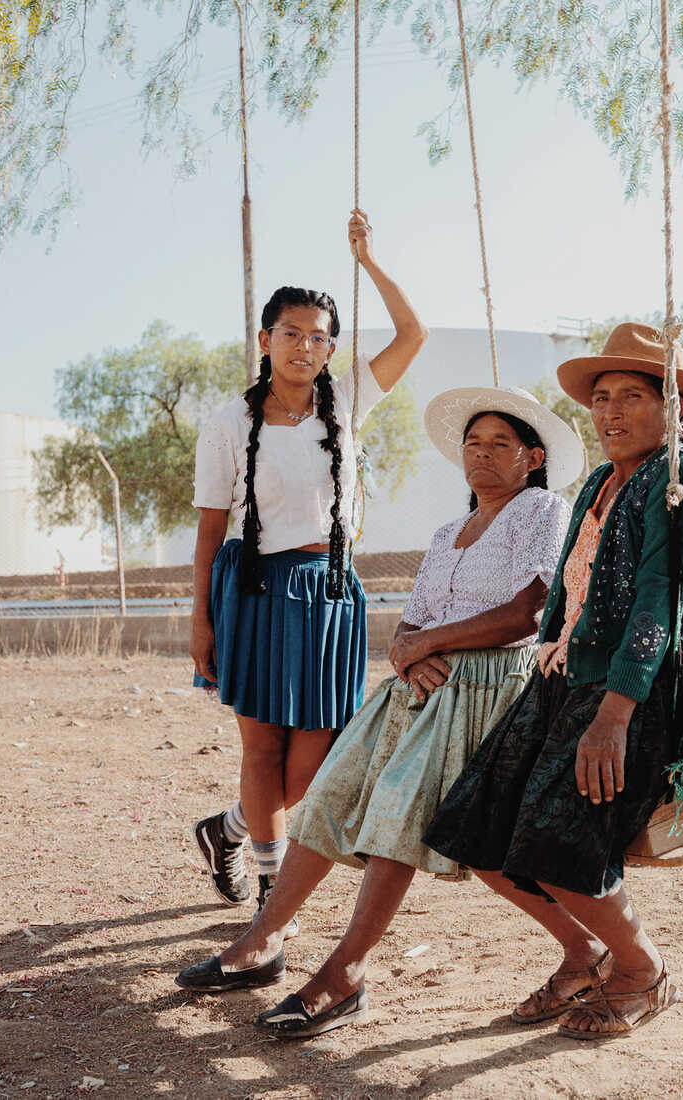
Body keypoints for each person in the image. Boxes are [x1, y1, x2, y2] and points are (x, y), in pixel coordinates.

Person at [175, 386, 584, 1040]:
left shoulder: (544, 510)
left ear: (532, 457)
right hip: (427, 685)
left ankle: (345, 976)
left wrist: (431, 642)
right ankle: (261, 940)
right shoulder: (450, 531)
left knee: (398, 807)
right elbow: (412, 624)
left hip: (494, 690)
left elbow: (532, 612)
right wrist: (408, 651)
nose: (482, 455)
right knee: (333, 789)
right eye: (472, 444)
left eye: (500, 445)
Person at [423, 322, 683, 1039]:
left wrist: (616, 713)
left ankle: (642, 969)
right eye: (601, 398)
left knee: (560, 848)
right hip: (564, 674)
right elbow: (568, 590)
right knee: (475, 831)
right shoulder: (599, 481)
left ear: (674, 408)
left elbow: (661, 600)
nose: (611, 412)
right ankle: (583, 953)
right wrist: (546, 669)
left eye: (632, 395)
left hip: (646, 686)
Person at [189, 210, 426, 915]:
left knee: (310, 768)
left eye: (319, 337)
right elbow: (207, 530)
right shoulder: (229, 423)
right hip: (258, 589)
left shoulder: (347, 402)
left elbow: (412, 335)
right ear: (266, 339)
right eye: (290, 333)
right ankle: (271, 888)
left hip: (329, 593)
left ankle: (223, 829)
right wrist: (198, 622)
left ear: (330, 350)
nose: (304, 346)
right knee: (262, 755)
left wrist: (369, 263)